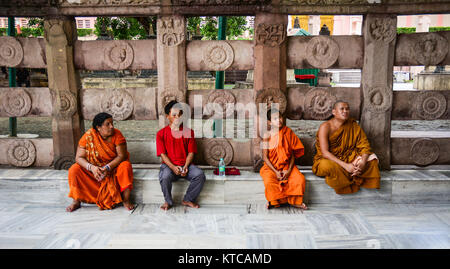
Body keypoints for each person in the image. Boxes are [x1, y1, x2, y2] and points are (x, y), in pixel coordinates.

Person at [66, 112, 134, 212]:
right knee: (74, 169)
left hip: (113, 170)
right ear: (98, 127)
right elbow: (79, 157)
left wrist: (107, 168)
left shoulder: (117, 135)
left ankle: (126, 200)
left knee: (125, 166)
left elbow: (122, 156)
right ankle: (76, 201)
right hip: (95, 172)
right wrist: (92, 168)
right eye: (108, 124)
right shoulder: (88, 137)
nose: (112, 126)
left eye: (112, 123)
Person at [312, 101, 380, 194]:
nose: (345, 111)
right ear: (334, 112)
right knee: (328, 166)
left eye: (347, 109)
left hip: (348, 157)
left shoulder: (353, 125)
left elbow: (364, 145)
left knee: (372, 159)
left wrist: (363, 163)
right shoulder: (325, 127)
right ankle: (349, 178)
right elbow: (325, 153)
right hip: (330, 160)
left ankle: (353, 172)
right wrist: (346, 166)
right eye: (342, 109)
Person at [156, 100, 206, 211]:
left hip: (185, 165)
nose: (177, 118)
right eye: (174, 115)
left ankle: (188, 199)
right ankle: (167, 201)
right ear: (167, 116)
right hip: (169, 166)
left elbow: (191, 152)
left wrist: (186, 166)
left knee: (199, 175)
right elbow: (162, 155)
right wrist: (173, 167)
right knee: (164, 176)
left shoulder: (188, 132)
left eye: (179, 115)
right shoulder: (161, 134)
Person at [259, 108, 308, 210]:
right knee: (269, 182)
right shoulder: (266, 135)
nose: (279, 120)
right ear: (269, 122)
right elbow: (265, 157)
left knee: (299, 179)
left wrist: (289, 170)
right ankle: (275, 201)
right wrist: (276, 172)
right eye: (275, 119)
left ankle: (294, 202)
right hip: (271, 167)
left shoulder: (288, 132)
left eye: (280, 117)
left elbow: (293, 155)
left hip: (287, 166)